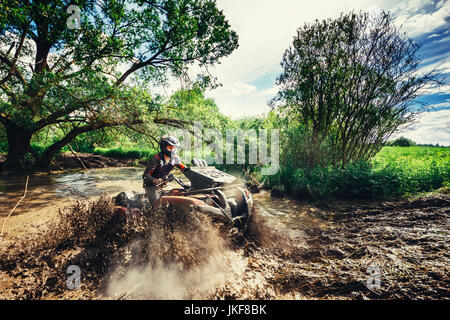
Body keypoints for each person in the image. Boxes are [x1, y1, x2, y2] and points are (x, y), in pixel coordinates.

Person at [142, 136, 190, 204]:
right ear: (163, 148)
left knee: (174, 197)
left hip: (164, 184)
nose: (172, 150)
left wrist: (191, 172)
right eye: (170, 148)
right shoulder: (156, 158)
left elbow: (184, 168)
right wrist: (155, 180)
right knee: (157, 203)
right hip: (151, 185)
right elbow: (145, 175)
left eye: (174, 148)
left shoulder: (175, 158)